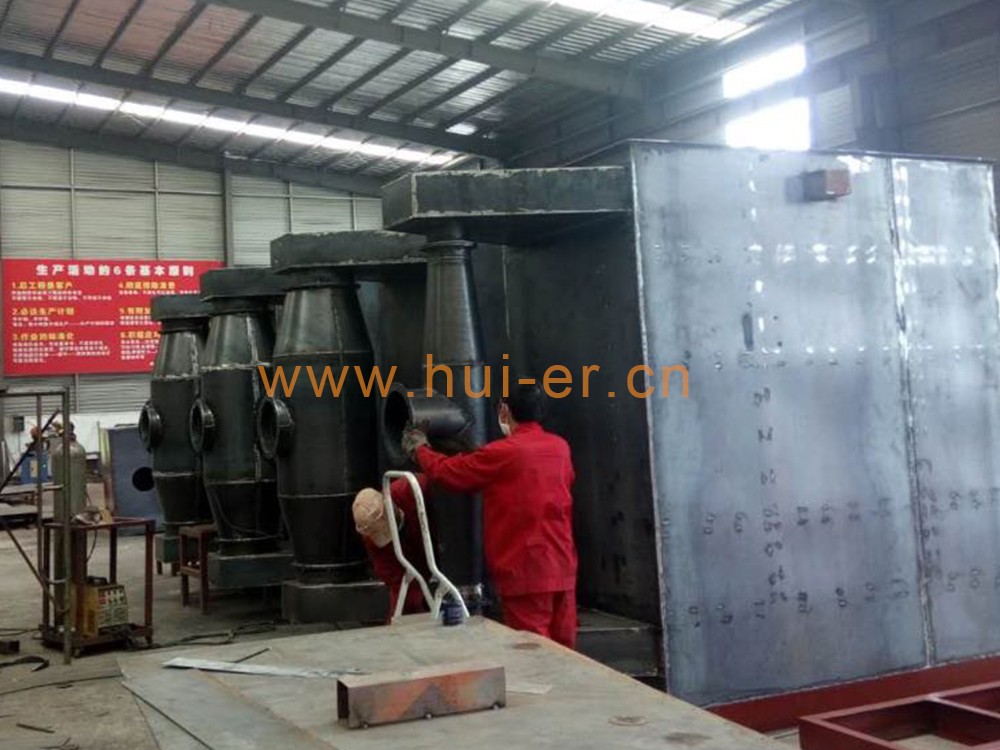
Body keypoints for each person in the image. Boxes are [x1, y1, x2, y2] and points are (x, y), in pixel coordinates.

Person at [401, 382, 579, 649]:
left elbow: (448, 473)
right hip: (562, 565)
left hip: (524, 571)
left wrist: (420, 449)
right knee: (566, 653)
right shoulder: (560, 448)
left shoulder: (502, 453)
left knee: (534, 654)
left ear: (505, 411)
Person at [353, 474, 432, 619]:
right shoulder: (370, 532)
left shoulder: (414, 489)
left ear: (390, 505)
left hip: (438, 548)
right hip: (409, 573)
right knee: (403, 608)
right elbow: (393, 577)